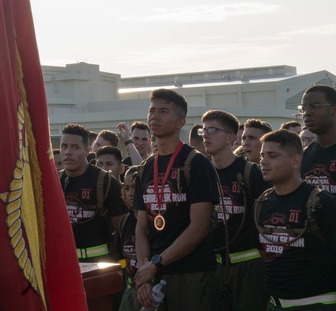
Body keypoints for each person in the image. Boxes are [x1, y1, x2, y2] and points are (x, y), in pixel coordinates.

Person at [255, 129, 336, 310]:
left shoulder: (322, 203)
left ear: (295, 161)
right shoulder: (262, 203)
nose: (263, 161)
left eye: (272, 156)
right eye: (262, 155)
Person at [133, 89, 220, 310]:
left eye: (163, 111)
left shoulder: (196, 163)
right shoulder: (145, 168)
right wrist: (144, 272)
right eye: (152, 110)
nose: (155, 116)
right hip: (153, 272)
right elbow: (141, 228)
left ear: (180, 121)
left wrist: (156, 264)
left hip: (190, 273)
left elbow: (199, 228)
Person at [201, 109, 269, 311]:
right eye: (203, 130)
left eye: (212, 130)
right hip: (213, 266)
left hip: (248, 267)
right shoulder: (201, 172)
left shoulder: (251, 173)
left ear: (231, 137)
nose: (205, 135)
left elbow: (267, 220)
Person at [59, 124, 126, 264]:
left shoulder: (106, 182)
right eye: (64, 146)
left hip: (100, 266)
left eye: (75, 147)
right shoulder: (54, 182)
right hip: (64, 263)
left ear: (87, 150)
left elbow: (121, 231)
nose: (67, 152)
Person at [116, 166, 141, 311]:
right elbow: (121, 257)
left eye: (135, 187)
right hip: (130, 289)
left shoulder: (155, 221)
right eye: (126, 188)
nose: (130, 193)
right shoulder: (124, 221)